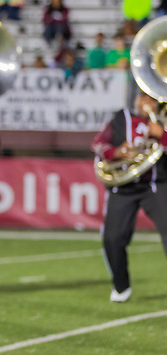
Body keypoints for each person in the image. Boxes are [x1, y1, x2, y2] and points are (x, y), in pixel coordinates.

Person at [91, 89, 167, 302]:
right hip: (123, 186)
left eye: (152, 98)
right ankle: (121, 287)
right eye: (143, 97)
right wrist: (116, 153)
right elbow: (98, 143)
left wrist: (162, 135)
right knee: (112, 239)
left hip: (155, 184)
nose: (146, 102)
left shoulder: (163, 119)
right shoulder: (120, 118)